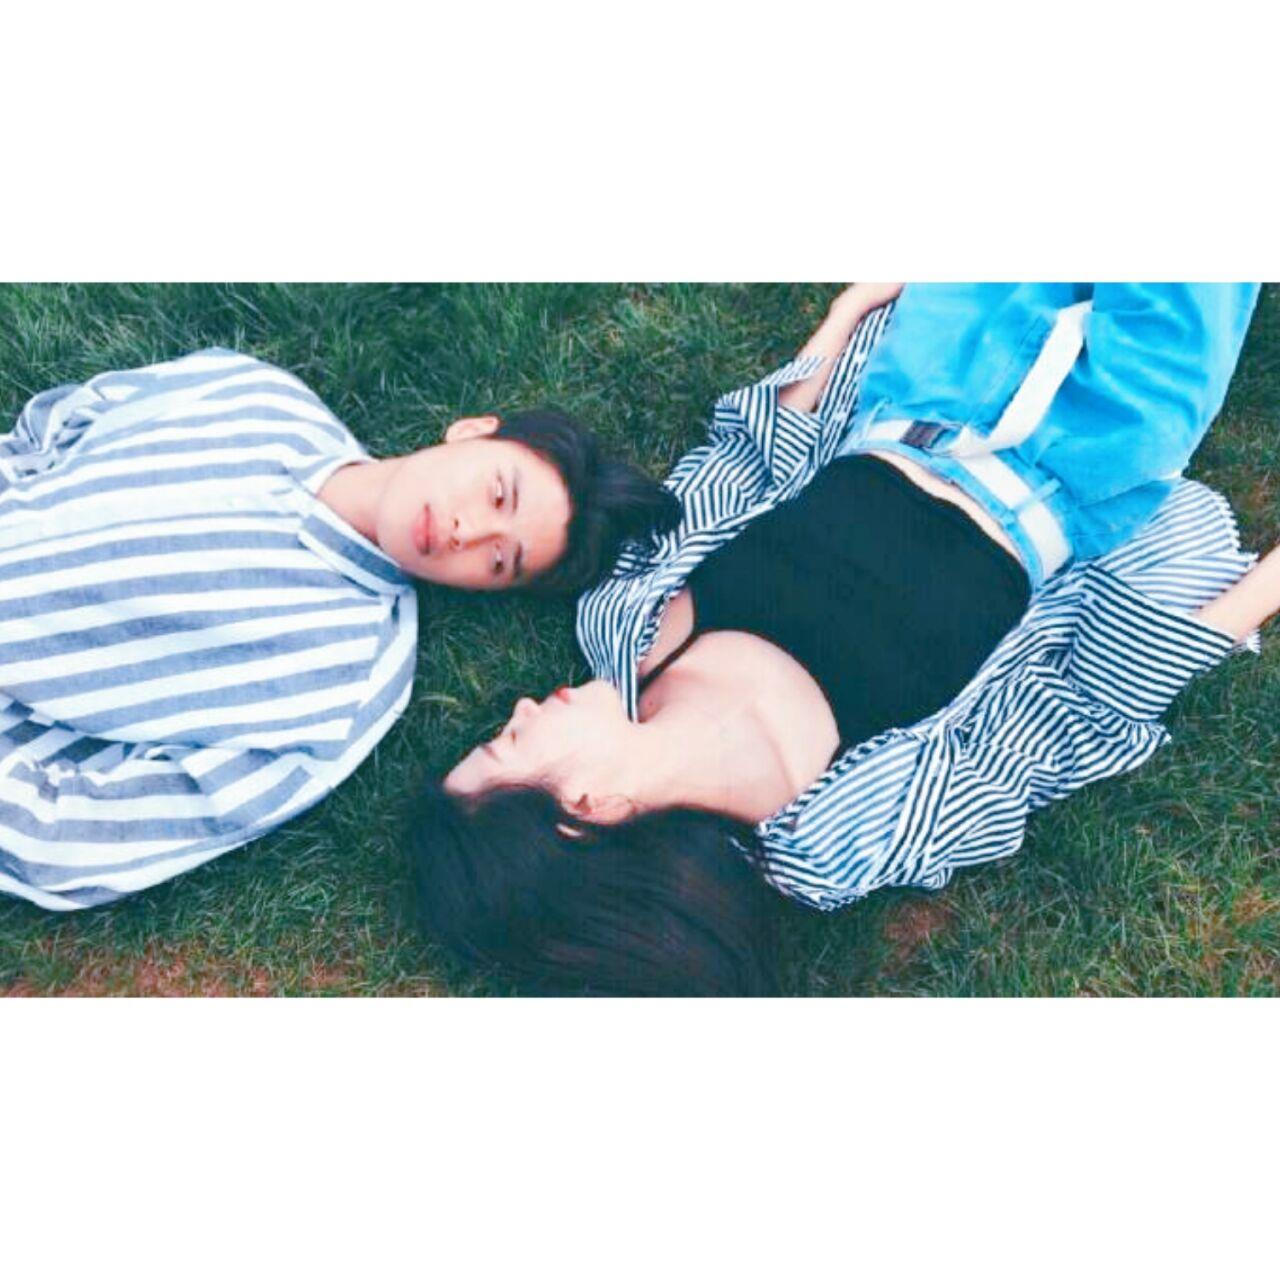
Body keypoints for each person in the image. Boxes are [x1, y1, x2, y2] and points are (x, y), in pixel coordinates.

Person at [414, 281, 1265, 996]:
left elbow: (745, 465)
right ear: (585, 812)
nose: (518, 710)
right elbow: (1085, 705)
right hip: (1087, 453)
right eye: (506, 744)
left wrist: (845, 316)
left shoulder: (623, 624)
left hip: (925, 381)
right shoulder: (837, 837)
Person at [0, 346, 678, 909]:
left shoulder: (349, 685)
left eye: (499, 562)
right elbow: (62, 423)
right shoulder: (257, 395)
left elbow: (97, 836)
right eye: (497, 492)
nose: (466, 532)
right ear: (472, 431)